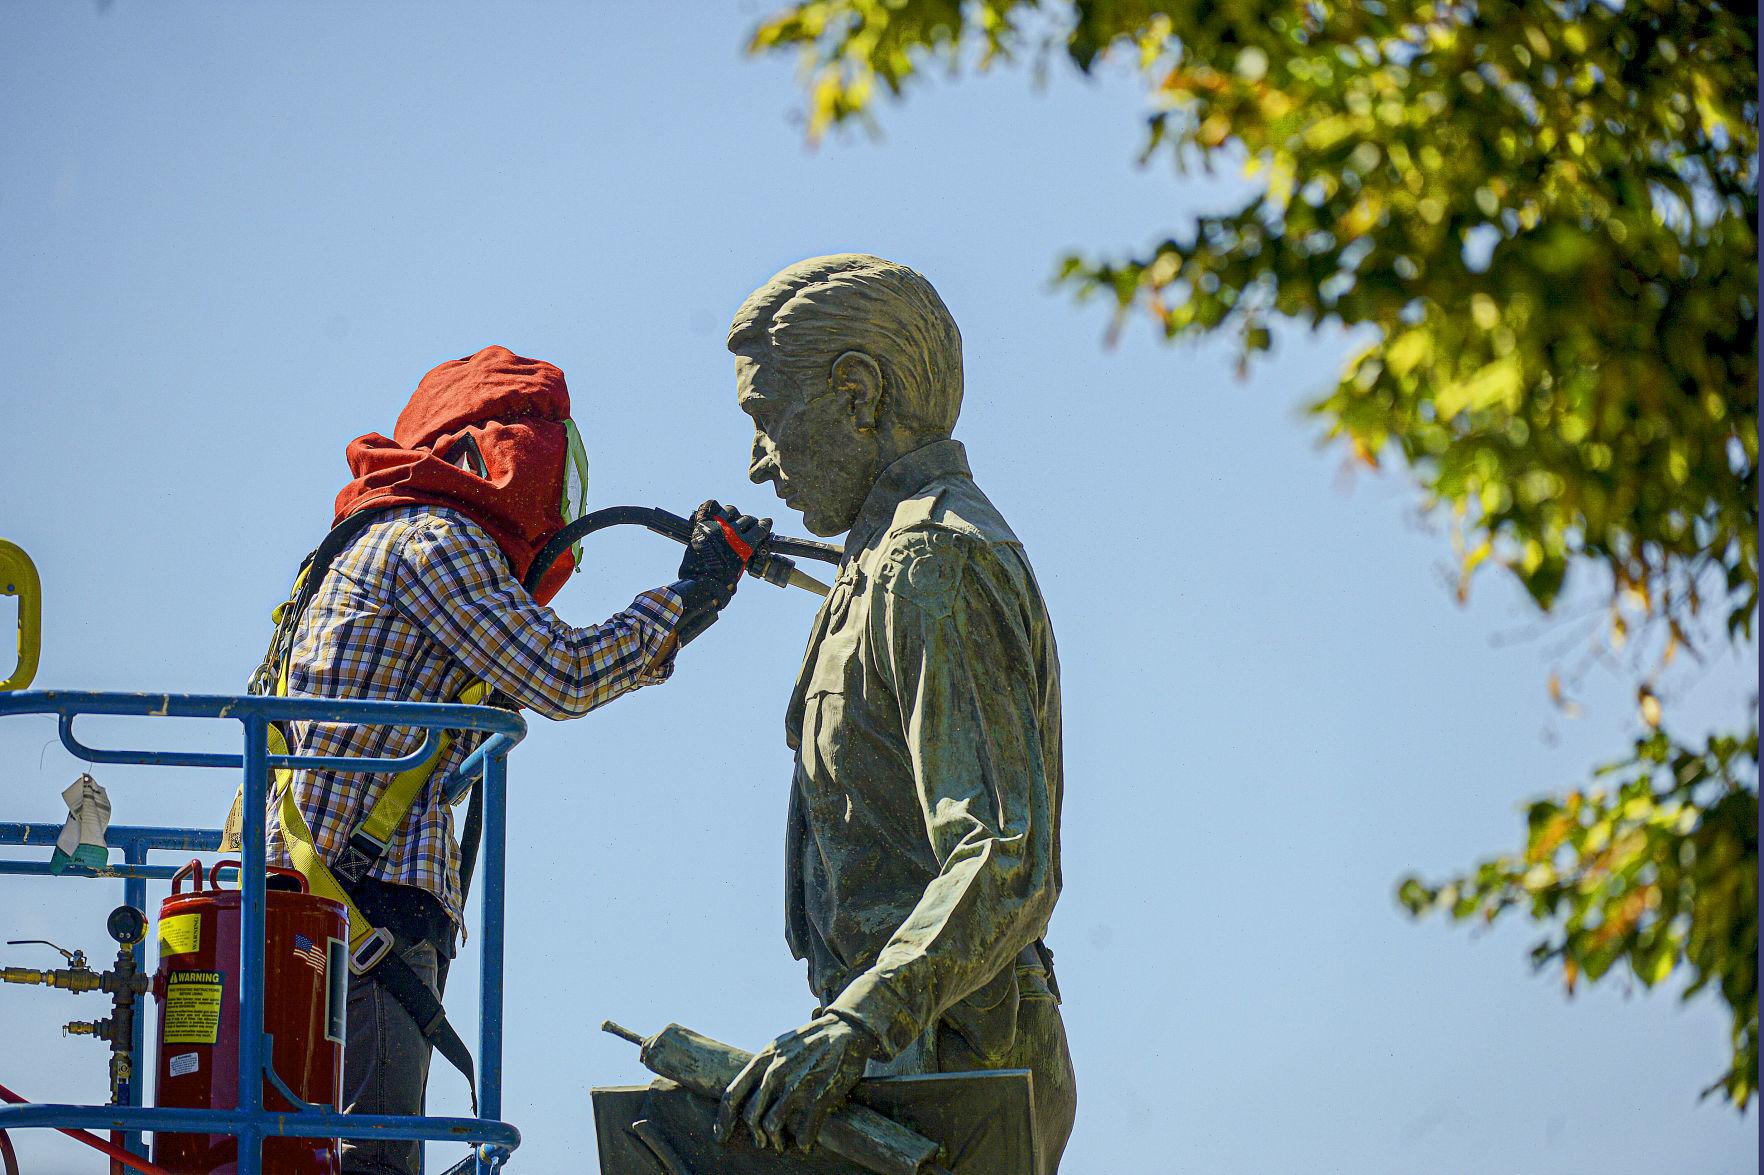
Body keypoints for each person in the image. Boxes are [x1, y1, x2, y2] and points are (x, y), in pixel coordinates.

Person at [221, 344, 769, 1175]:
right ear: (488, 453)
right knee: (374, 1167)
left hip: (292, 908)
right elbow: (566, 674)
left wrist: (688, 608)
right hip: (358, 914)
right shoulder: (436, 540)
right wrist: (691, 592)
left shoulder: (360, 542)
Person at [715, 256, 1076, 1173]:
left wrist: (854, 1025)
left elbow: (1004, 856)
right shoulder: (880, 563)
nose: (760, 462)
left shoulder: (930, 560)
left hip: (950, 1071)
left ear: (857, 391)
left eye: (768, 419)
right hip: (901, 1060)